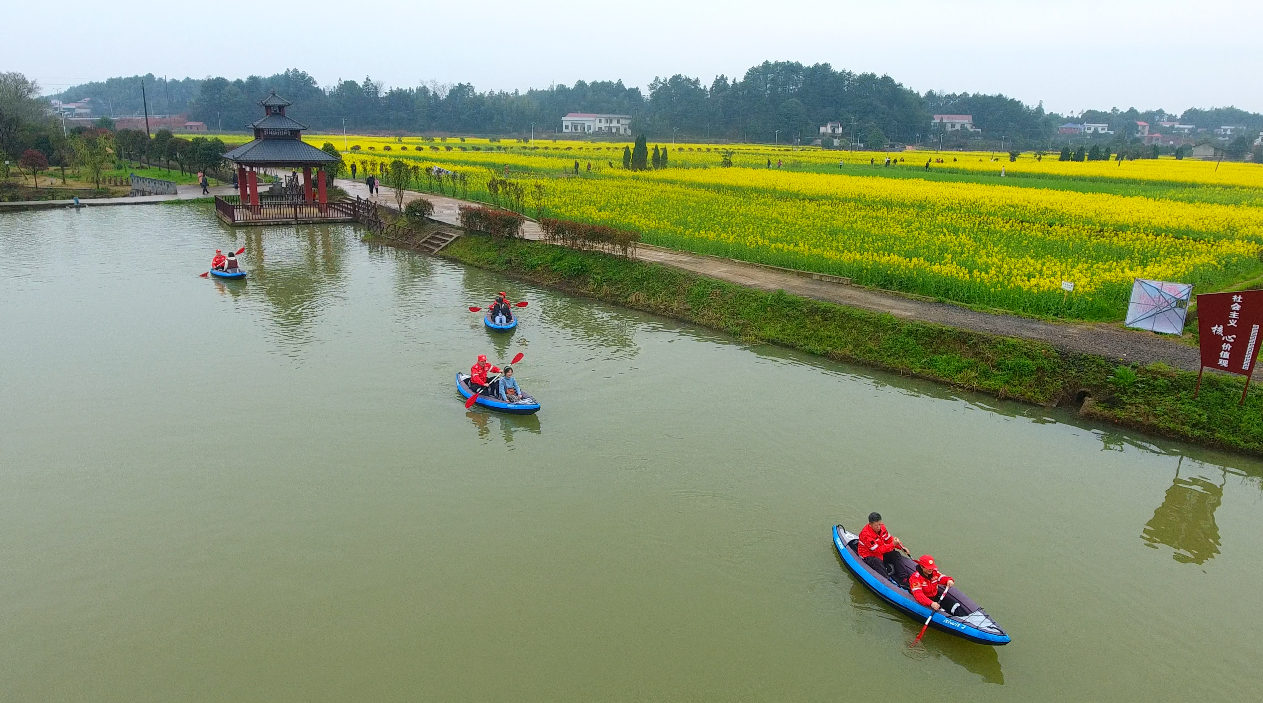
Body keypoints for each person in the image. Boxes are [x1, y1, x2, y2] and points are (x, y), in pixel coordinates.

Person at [908, 554, 973, 616]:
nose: (931, 569)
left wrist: (949, 580)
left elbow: (941, 578)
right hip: (926, 600)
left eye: (931, 567)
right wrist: (931, 603)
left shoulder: (934, 573)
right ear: (921, 566)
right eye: (928, 568)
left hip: (935, 596)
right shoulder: (915, 579)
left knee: (955, 605)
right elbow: (919, 595)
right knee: (941, 611)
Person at [857, 512, 908, 579]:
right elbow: (877, 550)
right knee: (877, 562)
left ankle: (904, 578)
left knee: (896, 554)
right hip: (868, 555)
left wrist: (901, 547)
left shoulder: (882, 527)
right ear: (870, 524)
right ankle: (886, 580)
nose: (879, 527)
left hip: (880, 551)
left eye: (879, 524)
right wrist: (892, 544)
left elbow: (889, 539)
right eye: (876, 525)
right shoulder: (866, 535)